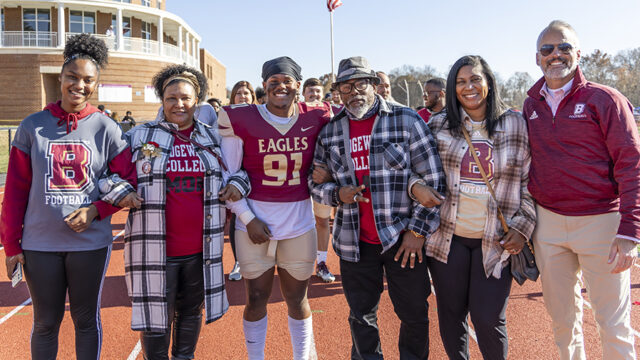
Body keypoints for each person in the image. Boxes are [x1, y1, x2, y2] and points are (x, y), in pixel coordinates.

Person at [0, 33, 138, 360]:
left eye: (88, 80)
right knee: (46, 322)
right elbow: (15, 190)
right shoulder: (32, 126)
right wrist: (11, 245)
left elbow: (129, 181)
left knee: (86, 320)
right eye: (72, 77)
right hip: (39, 244)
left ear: (96, 84)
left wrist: (96, 210)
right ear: (60, 78)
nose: (79, 85)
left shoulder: (107, 128)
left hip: (89, 243)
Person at [101, 64, 250, 360]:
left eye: (185, 98)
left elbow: (241, 171)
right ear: (161, 100)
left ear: (197, 101)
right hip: (153, 247)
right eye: (171, 98)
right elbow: (106, 175)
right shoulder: (140, 135)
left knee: (191, 311)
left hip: (201, 248)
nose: (178, 104)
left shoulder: (212, 137)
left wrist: (236, 183)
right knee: (155, 317)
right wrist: (122, 193)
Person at [309, 56, 444, 359]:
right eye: (346, 86)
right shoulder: (330, 132)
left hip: (401, 238)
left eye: (360, 83)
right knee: (361, 317)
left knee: (414, 315)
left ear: (374, 85)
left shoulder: (406, 120)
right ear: (339, 92)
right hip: (353, 241)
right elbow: (315, 184)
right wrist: (337, 193)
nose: (354, 91)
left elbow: (434, 182)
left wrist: (418, 232)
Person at [523, 20, 639, 360]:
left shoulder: (605, 99)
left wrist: (630, 231)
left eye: (563, 47)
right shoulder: (531, 105)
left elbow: (631, 164)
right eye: (547, 49)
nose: (555, 55)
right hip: (549, 225)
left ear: (578, 53)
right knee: (562, 321)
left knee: (612, 323)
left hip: (601, 221)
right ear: (537, 57)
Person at [412, 55, 536, 360]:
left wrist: (523, 227)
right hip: (447, 237)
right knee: (451, 317)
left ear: (489, 83)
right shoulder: (438, 124)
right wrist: (416, 188)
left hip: (496, 241)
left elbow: (533, 183)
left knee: (488, 318)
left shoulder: (515, 123)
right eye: (461, 81)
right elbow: (414, 170)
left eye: (475, 79)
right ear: (452, 89)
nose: (469, 87)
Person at [218, 56, 331, 360]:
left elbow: (335, 149)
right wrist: (247, 217)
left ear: (298, 85)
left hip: (299, 223)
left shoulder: (318, 114)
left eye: (287, 81)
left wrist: (328, 170)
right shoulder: (241, 117)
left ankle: (301, 357)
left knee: (298, 298)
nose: (280, 86)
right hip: (254, 223)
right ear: (264, 86)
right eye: (273, 82)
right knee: (255, 298)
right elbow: (229, 177)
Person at [301, 77, 336, 282]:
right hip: (297, 174)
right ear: (303, 94)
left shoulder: (330, 112)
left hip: (321, 174)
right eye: (310, 92)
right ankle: (298, 262)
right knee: (300, 221)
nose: (314, 95)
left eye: (317, 92)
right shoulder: (294, 111)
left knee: (322, 220)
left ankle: (321, 262)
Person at [225, 80, 258, 282]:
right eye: (238, 93)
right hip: (236, 170)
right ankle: (239, 261)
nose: (242, 96)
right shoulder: (226, 115)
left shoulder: (261, 114)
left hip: (257, 172)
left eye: (246, 93)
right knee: (238, 216)